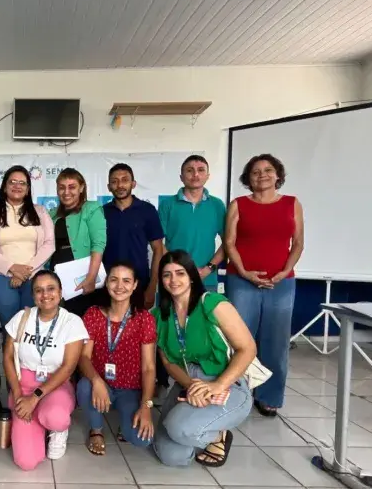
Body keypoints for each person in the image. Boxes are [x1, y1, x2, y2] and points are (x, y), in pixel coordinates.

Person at [153, 250, 256, 468]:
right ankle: (199, 428)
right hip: (188, 382)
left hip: (225, 381)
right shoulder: (159, 316)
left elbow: (247, 348)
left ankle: (219, 435)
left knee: (178, 428)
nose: (173, 280)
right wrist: (191, 386)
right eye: (166, 275)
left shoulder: (212, 303)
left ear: (191, 275)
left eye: (180, 273)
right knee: (171, 456)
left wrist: (218, 385)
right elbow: (169, 362)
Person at [224, 154, 304, 417]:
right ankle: (237, 392)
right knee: (239, 339)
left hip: (280, 283)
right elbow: (230, 243)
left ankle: (269, 397)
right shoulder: (239, 205)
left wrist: (284, 272)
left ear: (278, 175)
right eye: (255, 172)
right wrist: (246, 273)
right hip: (242, 280)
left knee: (276, 342)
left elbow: (298, 244)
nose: (262, 175)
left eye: (268, 170)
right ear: (248, 178)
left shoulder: (292, 204)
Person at [2, 270, 88, 470]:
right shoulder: (22, 317)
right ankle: (37, 426)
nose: (45, 295)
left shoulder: (72, 322)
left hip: (55, 384)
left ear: (60, 292)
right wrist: (17, 395)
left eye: (51, 289)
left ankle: (57, 430)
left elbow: (68, 367)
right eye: (39, 290)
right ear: (33, 296)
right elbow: (6, 356)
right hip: (23, 384)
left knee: (55, 417)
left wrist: (35, 397)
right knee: (26, 462)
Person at [77, 262, 156, 456]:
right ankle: (96, 429)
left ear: (135, 285)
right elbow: (84, 356)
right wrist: (97, 381)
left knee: (141, 439)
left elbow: (148, 368)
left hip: (130, 388)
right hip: (100, 381)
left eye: (126, 281)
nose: (119, 286)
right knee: (84, 387)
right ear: (106, 283)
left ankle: (125, 420)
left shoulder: (144, 318)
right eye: (114, 280)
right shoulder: (93, 314)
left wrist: (146, 406)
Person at [102, 163, 166, 392]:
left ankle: (147, 382)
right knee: (111, 332)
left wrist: (152, 287)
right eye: (115, 181)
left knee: (140, 333)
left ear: (133, 183)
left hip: (139, 285)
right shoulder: (102, 213)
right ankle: (112, 380)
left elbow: (159, 250)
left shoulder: (147, 211)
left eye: (124, 179)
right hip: (108, 286)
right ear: (109, 185)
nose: (120, 185)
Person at [0, 165, 55, 324]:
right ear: (4, 187)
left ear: (28, 189)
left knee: (32, 324)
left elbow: (49, 244)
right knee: (10, 324)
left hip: (33, 275)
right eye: (12, 182)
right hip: (1, 276)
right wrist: (12, 268)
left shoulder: (40, 212)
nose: (17, 186)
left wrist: (25, 271)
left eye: (22, 183)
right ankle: (9, 350)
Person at [159, 155, 226, 291]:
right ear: (181, 177)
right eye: (190, 170)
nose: (195, 174)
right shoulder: (167, 205)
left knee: (205, 312)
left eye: (201, 170)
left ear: (207, 176)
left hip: (206, 278)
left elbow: (228, 242)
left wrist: (209, 268)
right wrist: (177, 270)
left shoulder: (217, 205)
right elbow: (157, 243)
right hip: (173, 279)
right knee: (171, 313)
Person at [48, 168, 107, 317]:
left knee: (85, 323)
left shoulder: (91, 209)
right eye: (61, 187)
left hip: (83, 278)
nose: (66, 192)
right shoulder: (52, 214)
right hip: (59, 278)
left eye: (72, 187)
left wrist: (91, 278)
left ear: (81, 188)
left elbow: (98, 244)